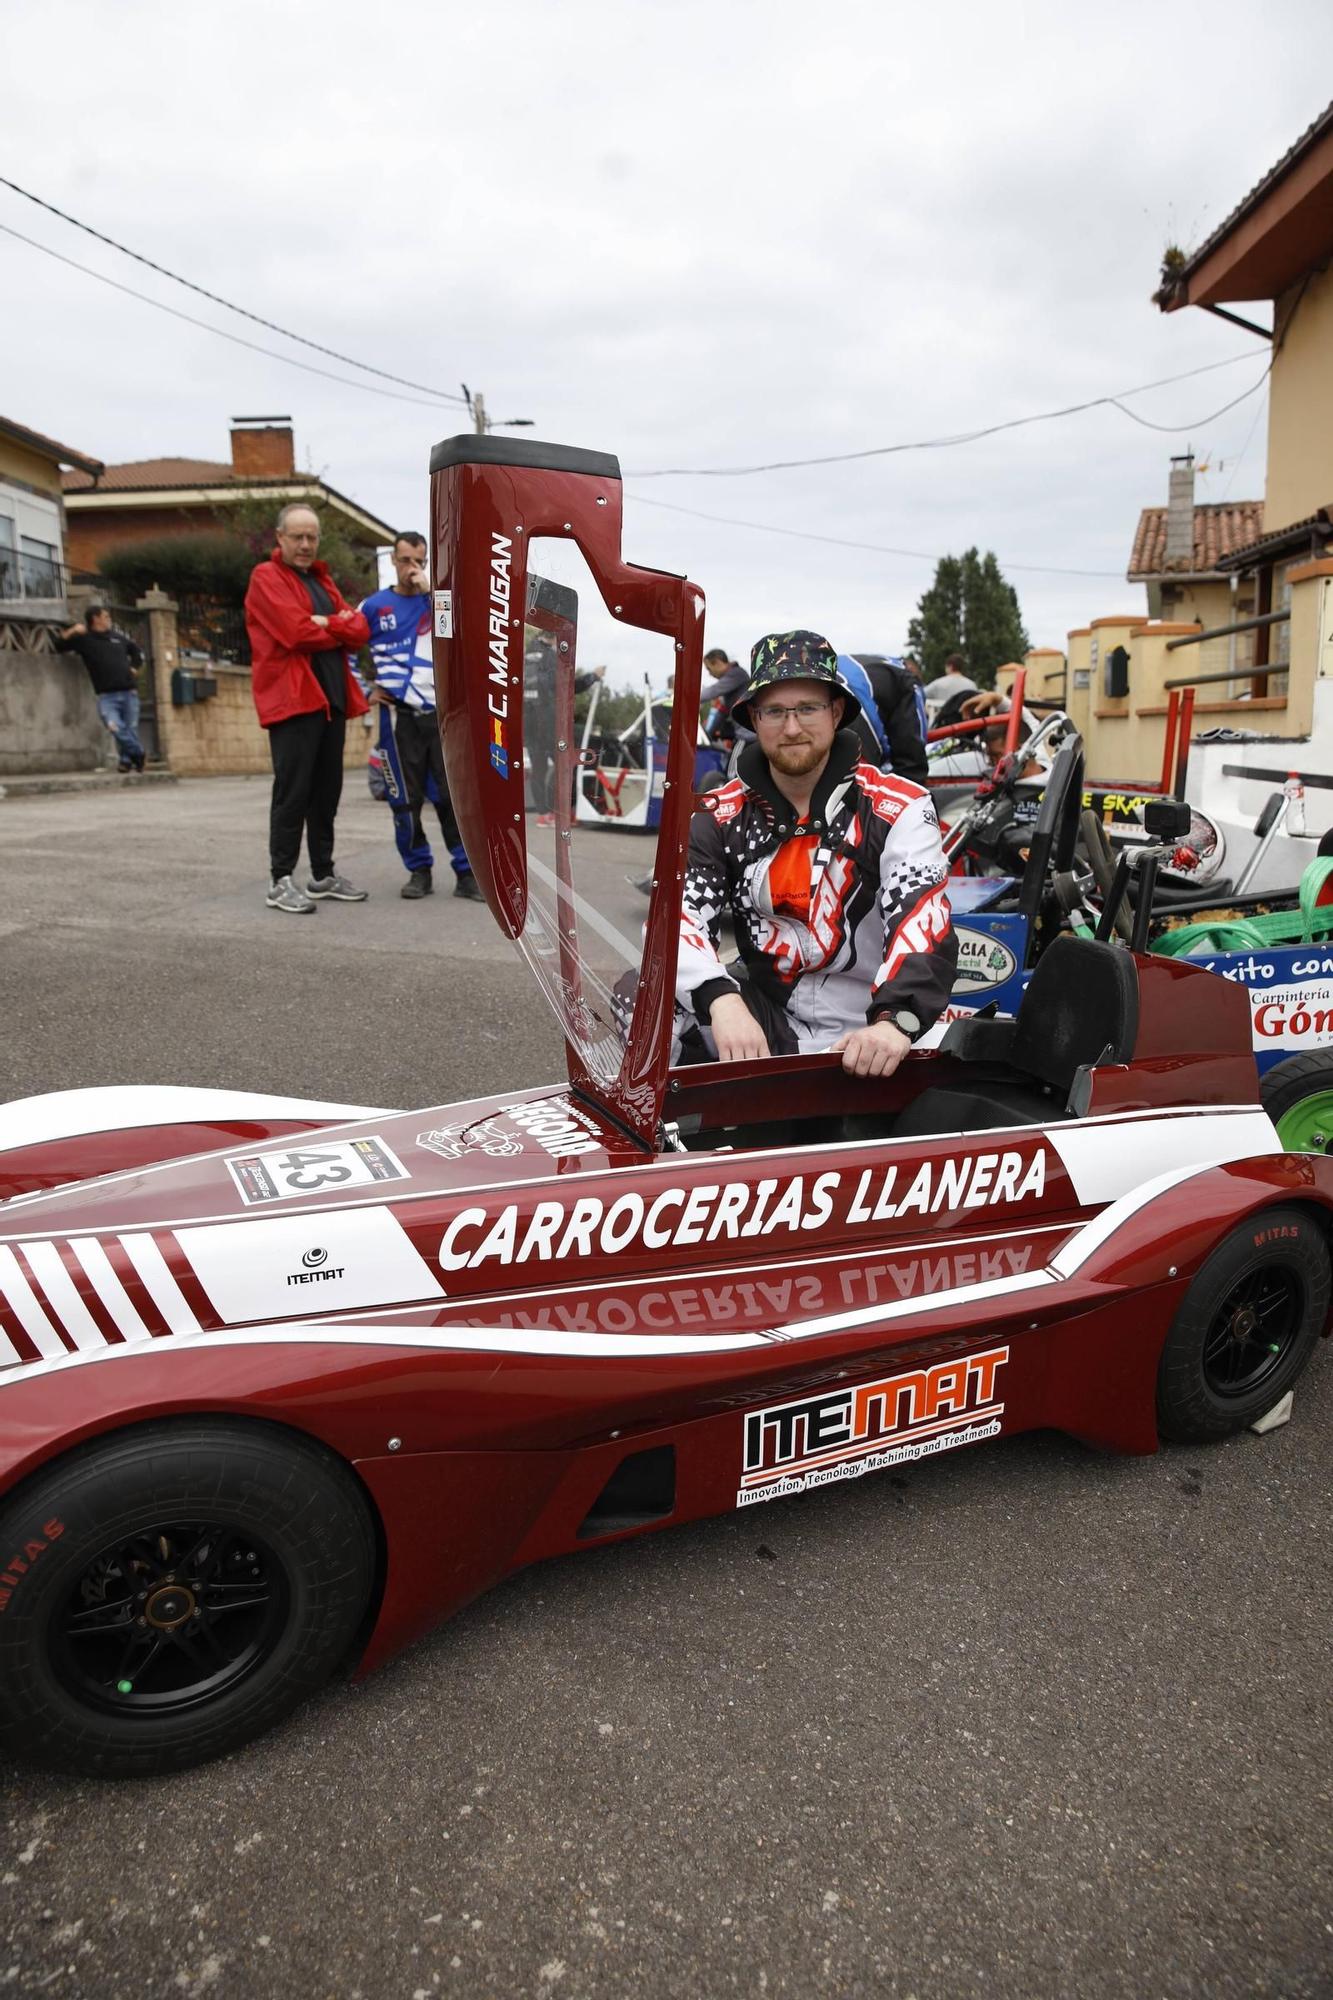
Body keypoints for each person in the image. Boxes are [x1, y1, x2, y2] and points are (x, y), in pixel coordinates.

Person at [677, 630, 957, 1078]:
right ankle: (687, 1142)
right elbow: (679, 920)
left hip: (879, 1027)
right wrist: (720, 999)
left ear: (836, 711)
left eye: (807, 708)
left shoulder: (899, 805)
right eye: (774, 711)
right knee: (644, 1002)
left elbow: (922, 921)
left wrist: (895, 1023)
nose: (792, 728)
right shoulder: (718, 814)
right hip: (768, 1022)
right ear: (753, 717)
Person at [243, 504, 371, 915]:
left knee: (325, 795)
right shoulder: (266, 577)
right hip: (294, 703)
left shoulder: (323, 580)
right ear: (279, 538)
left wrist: (326, 622)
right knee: (292, 794)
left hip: (330, 702)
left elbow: (360, 630)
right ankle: (280, 880)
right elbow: (295, 632)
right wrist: (336, 624)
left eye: (311, 537)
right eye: (296, 536)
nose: (304, 544)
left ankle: (322, 875)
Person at [359, 533, 481, 902]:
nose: (411, 568)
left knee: (451, 798)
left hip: (440, 718)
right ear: (392, 561)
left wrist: (431, 589)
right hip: (398, 719)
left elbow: (462, 635)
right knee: (404, 799)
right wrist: (364, 689)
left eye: (419, 561)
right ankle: (419, 870)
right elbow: (342, 646)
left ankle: (465, 874)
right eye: (405, 560)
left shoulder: (439, 603)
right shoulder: (372, 606)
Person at [55, 605, 146, 772]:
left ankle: (126, 762)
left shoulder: (118, 638)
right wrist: (73, 630)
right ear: (95, 619)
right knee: (114, 726)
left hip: (129, 692)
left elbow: (136, 652)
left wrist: (134, 667)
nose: (109, 619)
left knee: (130, 728)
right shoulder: (85, 640)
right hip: (107, 696)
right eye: (106, 617)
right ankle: (138, 752)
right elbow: (59, 645)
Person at [700, 647, 748, 746]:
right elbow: (722, 711)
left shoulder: (737, 674)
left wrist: (688, 697)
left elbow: (712, 691)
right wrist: (708, 735)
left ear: (717, 662)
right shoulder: (731, 685)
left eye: (709, 669)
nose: (709, 674)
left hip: (747, 735)